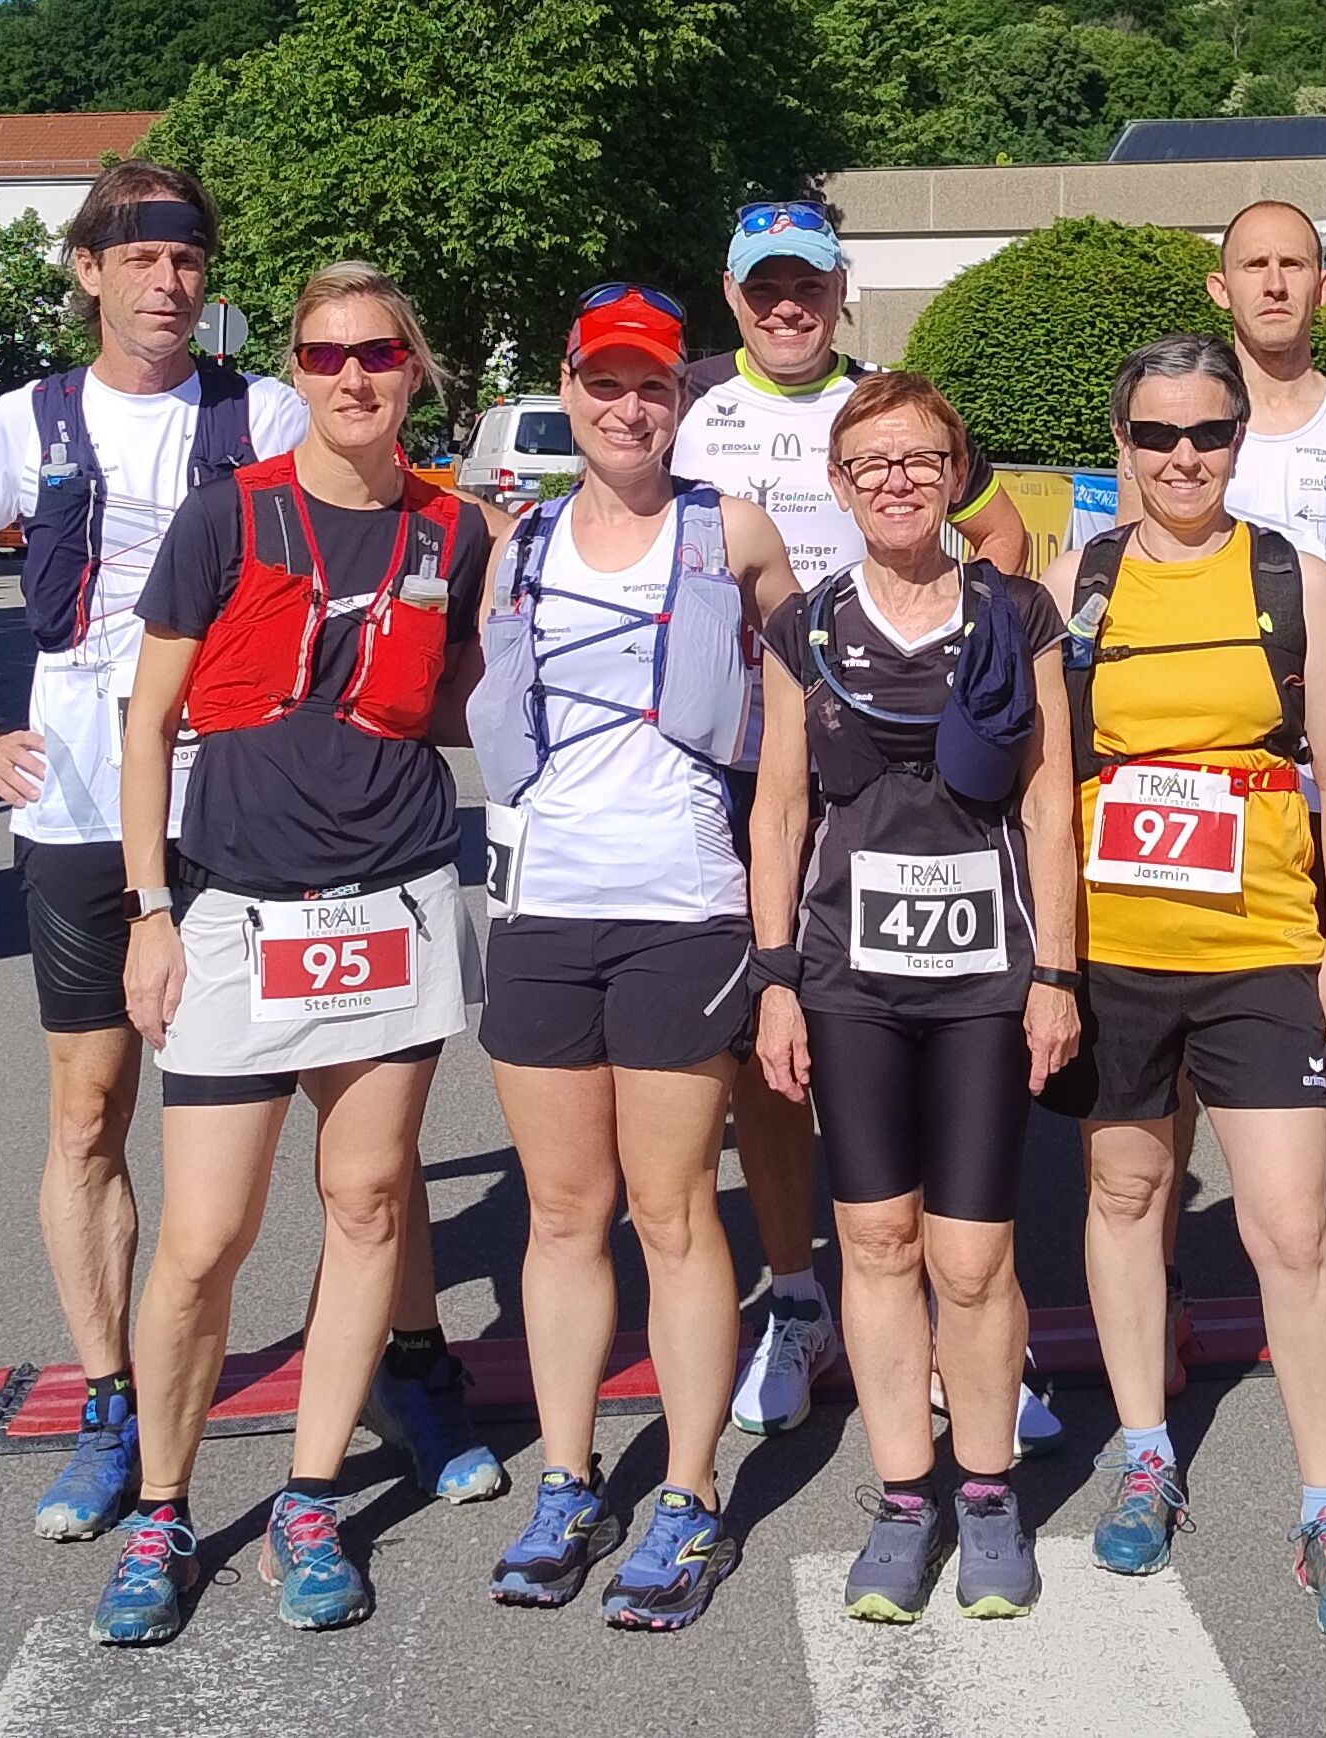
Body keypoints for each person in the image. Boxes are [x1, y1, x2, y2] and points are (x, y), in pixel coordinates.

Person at [0, 162, 309, 1543]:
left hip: (241, 808)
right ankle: (108, 1395)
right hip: (76, 807)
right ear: (88, 273)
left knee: (329, 1109)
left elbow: (393, 532)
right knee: (89, 1116)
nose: (166, 282)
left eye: (187, 257)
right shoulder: (28, 422)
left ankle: (405, 1361)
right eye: (137, 258)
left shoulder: (265, 413)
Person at [87, 262, 492, 1645]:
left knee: (371, 1197)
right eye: (324, 356)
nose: (353, 376)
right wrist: (148, 908)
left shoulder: (456, 525)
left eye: (378, 352)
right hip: (238, 906)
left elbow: (453, 699)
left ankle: (312, 1501)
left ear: (412, 364)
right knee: (202, 1241)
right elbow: (146, 726)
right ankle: (163, 1504)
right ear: (296, 370)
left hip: (392, 904)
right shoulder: (229, 513)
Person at [672, 200, 1050, 1453]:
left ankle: (978, 1331)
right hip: (744, 747)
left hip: (907, 732)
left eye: (808, 285)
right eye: (764, 286)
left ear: (839, 291)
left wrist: (991, 621)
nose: (787, 306)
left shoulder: (891, 405)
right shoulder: (687, 404)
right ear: (732, 295)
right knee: (777, 1052)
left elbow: (996, 534)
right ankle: (797, 1295)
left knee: (953, 1026)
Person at [1046, 334, 1326, 1643]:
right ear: (1122, 447)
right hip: (1117, 949)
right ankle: (1146, 1450)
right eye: (1156, 437)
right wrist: (1051, 957)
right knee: (1125, 1192)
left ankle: (1325, 1510)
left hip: (1258, 942)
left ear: (1235, 444)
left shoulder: (1288, 575)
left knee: (1289, 1227)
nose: (1182, 457)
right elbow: (1042, 779)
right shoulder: (1077, 579)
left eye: (1206, 433)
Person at [469, 284, 795, 1630]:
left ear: (680, 397)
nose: (626, 406)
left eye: (650, 384)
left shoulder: (730, 528)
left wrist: (775, 881)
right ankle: (566, 1473)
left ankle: (690, 1486)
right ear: (571, 387)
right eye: (603, 383)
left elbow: (798, 685)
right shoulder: (523, 539)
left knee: (669, 1213)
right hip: (542, 904)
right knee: (561, 1212)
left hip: (682, 904)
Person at [750, 372, 1078, 1623]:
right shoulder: (807, 626)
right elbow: (779, 811)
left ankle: (986, 1493)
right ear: (837, 486)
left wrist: (1057, 971)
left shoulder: (1019, 612)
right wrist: (775, 980)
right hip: (849, 980)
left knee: (974, 1254)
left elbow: (1048, 803)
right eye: (869, 463)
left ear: (955, 475)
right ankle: (902, 1498)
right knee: (878, 1243)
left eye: (918, 460)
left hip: (986, 978)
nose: (894, 481)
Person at [1155, 200, 1326, 1400]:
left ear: (1324, 287)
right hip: (1199, 795)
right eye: (1251, 266)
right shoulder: (1178, 425)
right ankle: (1156, 1288)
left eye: (1294, 266)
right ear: (1217, 288)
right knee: (1166, 1051)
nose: (1273, 284)